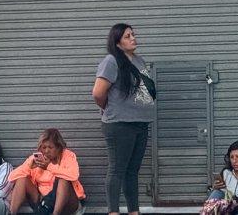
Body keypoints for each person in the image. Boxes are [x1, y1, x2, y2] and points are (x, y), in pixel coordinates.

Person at [92, 23, 156, 215]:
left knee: (132, 171)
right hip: (119, 124)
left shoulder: (139, 60)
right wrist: (109, 108)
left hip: (140, 123)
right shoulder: (111, 61)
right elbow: (97, 93)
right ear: (118, 42)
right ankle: (113, 212)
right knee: (117, 169)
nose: (133, 38)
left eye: (133, 34)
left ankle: (133, 211)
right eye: (128, 36)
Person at [8, 129, 85, 215]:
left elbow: (74, 175)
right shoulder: (37, 158)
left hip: (66, 204)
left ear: (58, 147)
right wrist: (28, 166)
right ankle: (11, 213)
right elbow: (11, 177)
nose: (46, 151)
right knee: (22, 179)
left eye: (50, 147)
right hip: (43, 203)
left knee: (63, 179)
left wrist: (49, 167)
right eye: (44, 147)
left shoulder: (67, 155)